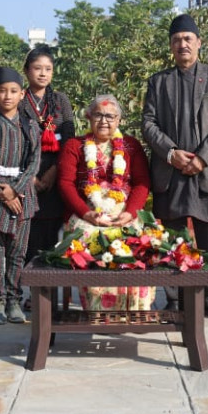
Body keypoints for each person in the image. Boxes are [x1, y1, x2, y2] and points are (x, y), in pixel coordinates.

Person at [142, 13, 208, 320]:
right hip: (171, 172)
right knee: (173, 238)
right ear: (171, 46)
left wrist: (202, 157)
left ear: (199, 43)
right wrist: (171, 153)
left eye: (187, 39)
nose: (182, 44)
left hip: (206, 172)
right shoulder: (159, 82)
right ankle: (174, 299)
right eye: (177, 40)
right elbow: (148, 123)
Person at [56, 94, 152, 308]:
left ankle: (132, 309)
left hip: (125, 213)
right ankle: (99, 309)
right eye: (98, 114)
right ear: (89, 117)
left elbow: (142, 182)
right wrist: (87, 213)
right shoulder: (75, 145)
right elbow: (65, 183)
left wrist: (131, 212)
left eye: (110, 116)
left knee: (138, 238)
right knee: (91, 237)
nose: (104, 121)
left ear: (119, 120)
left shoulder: (131, 146)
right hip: (87, 214)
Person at [0, 67, 40, 325]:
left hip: (23, 197)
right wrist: (3, 190)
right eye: (2, 91)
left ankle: (14, 299)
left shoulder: (30, 126)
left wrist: (17, 189)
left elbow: (35, 161)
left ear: (22, 94)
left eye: (13, 91)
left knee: (17, 253)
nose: (7, 96)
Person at [19, 47, 74, 272]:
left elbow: (69, 140)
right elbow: (13, 140)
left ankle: (49, 286)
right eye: (37, 68)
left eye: (48, 69)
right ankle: (31, 286)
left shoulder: (60, 100)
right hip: (26, 172)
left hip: (55, 169)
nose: (43, 73)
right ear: (26, 70)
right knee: (29, 231)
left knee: (52, 230)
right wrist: (29, 175)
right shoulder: (20, 99)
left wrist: (54, 170)